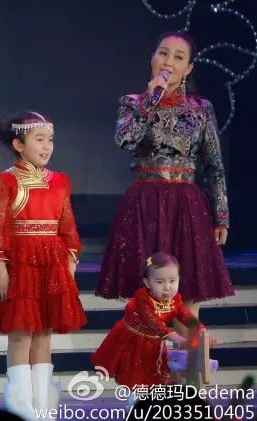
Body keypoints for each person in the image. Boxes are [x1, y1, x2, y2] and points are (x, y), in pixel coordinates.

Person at [96, 32, 234, 335]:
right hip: (144, 204)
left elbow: (213, 166)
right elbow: (125, 139)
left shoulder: (201, 109)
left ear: (189, 68)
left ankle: (191, 362)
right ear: (152, 58)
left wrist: (221, 214)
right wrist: (150, 101)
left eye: (178, 57)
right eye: (163, 53)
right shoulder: (132, 103)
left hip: (187, 206)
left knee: (188, 296)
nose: (168, 62)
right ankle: (149, 362)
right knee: (145, 295)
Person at [0, 111, 86, 421]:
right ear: (18, 144)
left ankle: (44, 410)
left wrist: (70, 262)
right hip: (20, 264)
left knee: (44, 334)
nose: (47, 146)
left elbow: (67, 225)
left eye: (50, 140)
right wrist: (0, 267)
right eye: (39, 139)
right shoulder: (6, 180)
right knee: (21, 335)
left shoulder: (59, 181)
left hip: (52, 263)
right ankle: (21, 410)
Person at [92, 252, 218, 390]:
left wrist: (201, 329)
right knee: (135, 376)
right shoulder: (142, 299)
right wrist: (175, 337)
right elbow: (153, 322)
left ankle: (153, 399)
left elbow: (185, 315)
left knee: (156, 374)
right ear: (147, 282)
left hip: (155, 341)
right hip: (133, 340)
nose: (167, 287)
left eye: (172, 281)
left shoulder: (175, 299)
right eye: (160, 282)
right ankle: (135, 400)